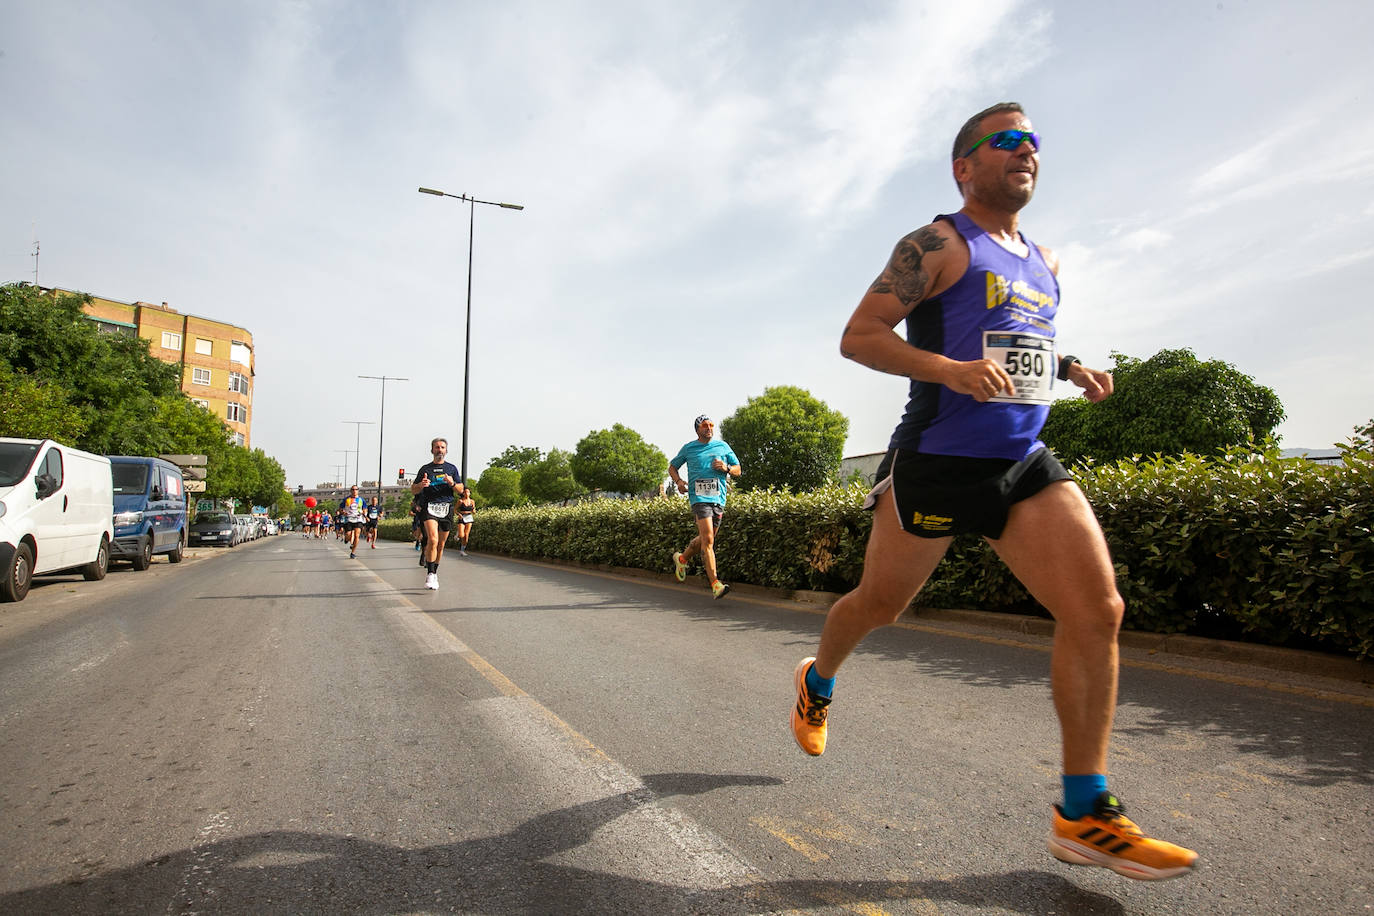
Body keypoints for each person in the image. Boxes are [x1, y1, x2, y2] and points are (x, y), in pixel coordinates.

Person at [788, 102, 1197, 881]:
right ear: (964, 166)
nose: (1026, 150)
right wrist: (949, 371)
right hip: (938, 459)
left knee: (1098, 609)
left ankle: (1084, 811)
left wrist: (1069, 367)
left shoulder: (1045, 261)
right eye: (1006, 140)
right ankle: (819, 680)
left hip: (1021, 463)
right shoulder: (935, 243)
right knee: (880, 606)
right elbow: (860, 336)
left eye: (1033, 141)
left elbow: (1016, 339)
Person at [668, 415, 740, 599]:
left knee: (705, 538)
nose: (709, 428)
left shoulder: (722, 446)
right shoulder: (689, 448)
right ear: (697, 429)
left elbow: (738, 469)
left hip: (719, 499)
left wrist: (726, 468)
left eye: (711, 425)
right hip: (699, 498)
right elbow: (672, 467)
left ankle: (682, 558)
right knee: (708, 540)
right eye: (705, 425)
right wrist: (679, 482)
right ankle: (715, 584)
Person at [410, 437, 460, 590]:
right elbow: (413, 490)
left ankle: (435, 572)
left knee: (441, 544)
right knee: (433, 539)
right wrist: (421, 485)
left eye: (442, 447)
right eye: (437, 447)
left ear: (446, 450)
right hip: (429, 506)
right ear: (432, 450)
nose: (440, 450)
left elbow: (461, 489)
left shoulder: (451, 469)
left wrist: (452, 483)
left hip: (446, 507)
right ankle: (430, 573)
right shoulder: (425, 469)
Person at [340, 485, 367, 558]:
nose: (354, 491)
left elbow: (365, 508)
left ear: (358, 490)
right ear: (351, 491)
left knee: (357, 535)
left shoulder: (361, 500)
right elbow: (341, 508)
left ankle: (353, 552)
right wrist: (343, 512)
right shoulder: (346, 499)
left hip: (358, 519)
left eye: (356, 489)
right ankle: (346, 539)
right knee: (348, 535)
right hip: (349, 519)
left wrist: (364, 513)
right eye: (353, 489)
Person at [454, 486, 476, 556]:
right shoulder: (460, 501)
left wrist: (473, 511)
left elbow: (474, 510)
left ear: (470, 493)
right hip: (462, 517)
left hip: (469, 517)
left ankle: (462, 550)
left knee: (466, 535)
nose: (467, 493)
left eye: (468, 492)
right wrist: (458, 514)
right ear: (463, 493)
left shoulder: (472, 501)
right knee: (461, 535)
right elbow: (455, 510)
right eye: (465, 492)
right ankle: (458, 534)